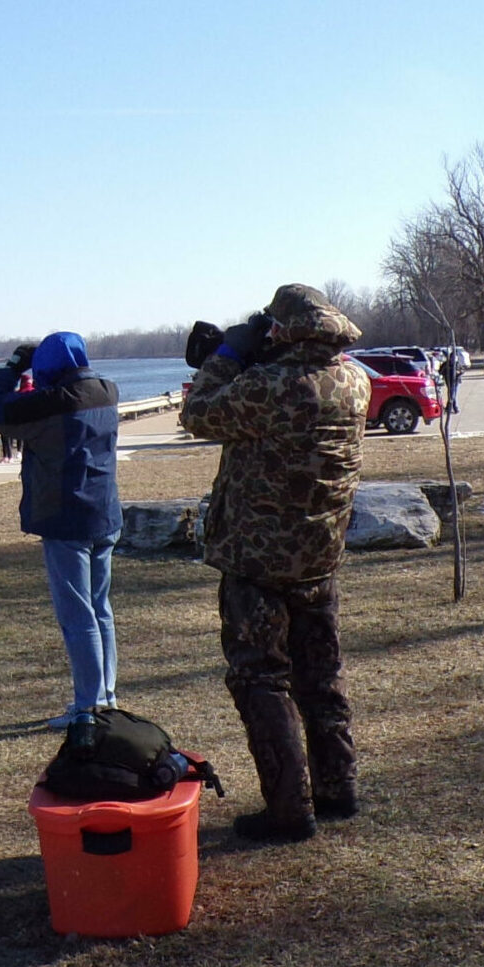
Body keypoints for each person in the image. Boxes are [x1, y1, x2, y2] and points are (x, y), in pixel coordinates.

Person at [180, 284, 372, 843]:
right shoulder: (355, 378)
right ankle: (339, 787)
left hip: (257, 561)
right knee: (321, 675)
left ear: (283, 330)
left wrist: (228, 356)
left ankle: (289, 808)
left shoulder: (271, 385)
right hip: (320, 554)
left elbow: (198, 413)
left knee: (262, 680)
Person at [0, 332, 122, 727]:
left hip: (66, 518)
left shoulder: (51, 405)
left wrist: (11, 368)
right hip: (105, 512)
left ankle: (88, 708)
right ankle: (106, 696)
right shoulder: (108, 391)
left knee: (77, 616)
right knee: (99, 609)